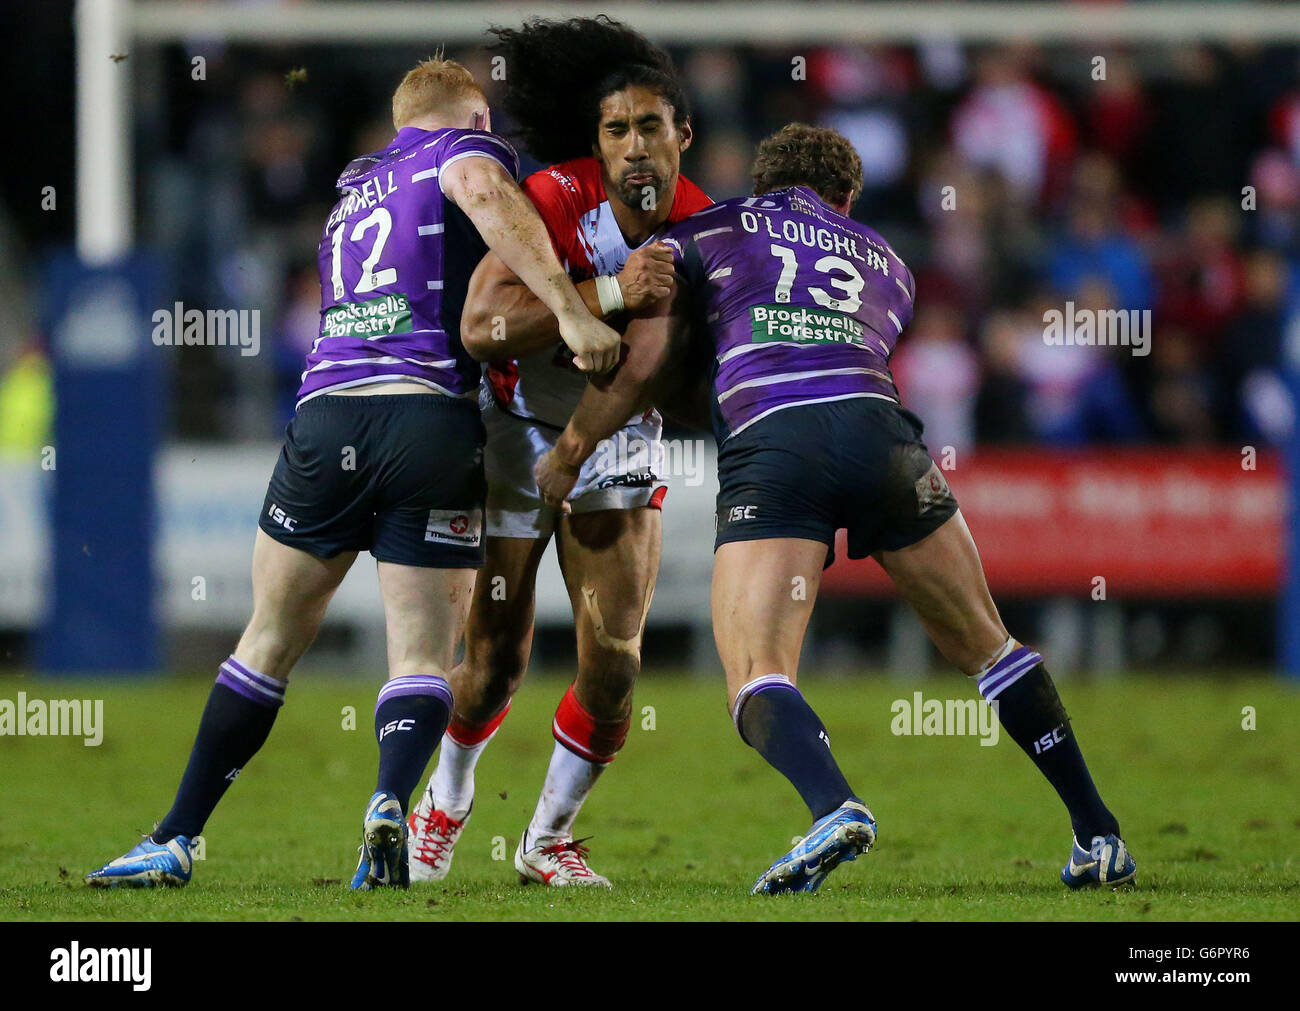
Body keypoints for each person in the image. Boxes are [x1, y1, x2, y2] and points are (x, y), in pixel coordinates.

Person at [533, 123, 1137, 894]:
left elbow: (650, 352)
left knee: (755, 672)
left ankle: (833, 803)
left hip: (775, 438)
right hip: (885, 436)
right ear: (846, 199)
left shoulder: (705, 229)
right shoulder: (890, 262)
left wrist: (574, 446)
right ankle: (1098, 832)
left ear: (763, 185)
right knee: (992, 647)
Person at [86, 57, 619, 890]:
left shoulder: (352, 193)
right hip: (428, 420)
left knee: (264, 643)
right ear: (468, 117)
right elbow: (484, 194)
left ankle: (175, 835)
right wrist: (570, 308)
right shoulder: (464, 152)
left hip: (326, 416)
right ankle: (384, 804)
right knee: (420, 655)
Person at [407, 16, 712, 888]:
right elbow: (481, 328)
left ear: (682, 135)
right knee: (494, 658)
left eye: (652, 126)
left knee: (614, 660)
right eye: (617, 129)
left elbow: (669, 374)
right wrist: (606, 291)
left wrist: (589, 440)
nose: (635, 146)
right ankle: (448, 801)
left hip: (615, 437)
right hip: (516, 429)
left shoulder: (705, 229)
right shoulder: (550, 199)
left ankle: (546, 837)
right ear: (598, 144)